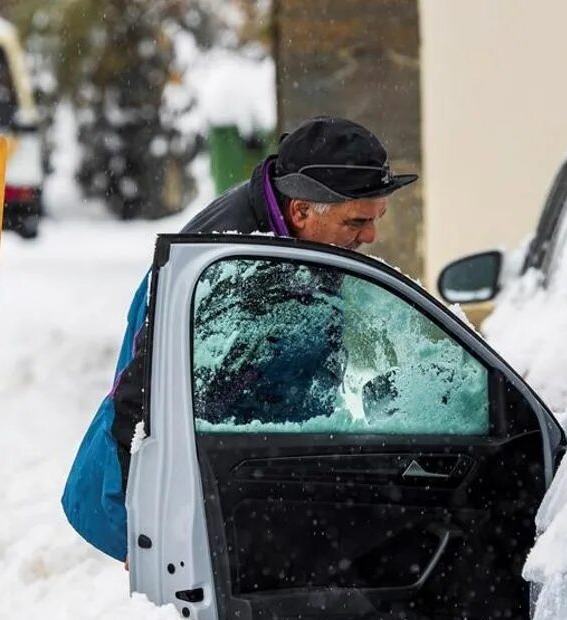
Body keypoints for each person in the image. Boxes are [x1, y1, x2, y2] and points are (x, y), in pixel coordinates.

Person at [62, 116, 418, 562]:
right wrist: (148, 530)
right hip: (162, 502)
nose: (371, 236)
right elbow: (148, 395)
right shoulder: (230, 275)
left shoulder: (296, 232)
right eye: (356, 222)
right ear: (302, 210)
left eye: (376, 218)